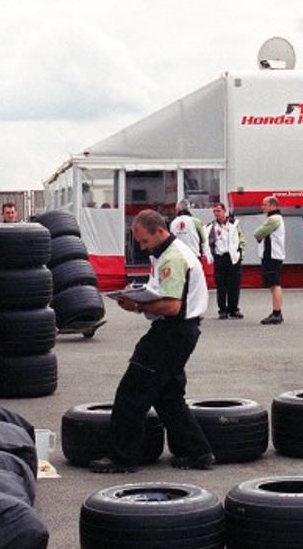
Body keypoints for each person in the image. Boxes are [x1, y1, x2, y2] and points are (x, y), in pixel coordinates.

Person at [90, 210, 215, 473]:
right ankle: (197, 452)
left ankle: (121, 458)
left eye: (145, 241)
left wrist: (136, 304)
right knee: (168, 395)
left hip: (172, 331)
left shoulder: (173, 257)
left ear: (159, 230)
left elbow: (171, 306)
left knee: (131, 392)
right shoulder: (167, 253)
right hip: (181, 331)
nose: (142, 247)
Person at [207, 202, 244, 319]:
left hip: (233, 257)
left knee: (234, 284)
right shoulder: (211, 226)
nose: (216, 213)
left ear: (224, 211)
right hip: (220, 257)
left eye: (218, 211)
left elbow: (242, 239)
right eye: (214, 211)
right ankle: (222, 309)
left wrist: (241, 253)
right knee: (221, 285)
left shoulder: (234, 224)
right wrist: (210, 256)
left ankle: (234, 309)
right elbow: (207, 242)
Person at [254, 195, 285, 324]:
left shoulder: (274, 219)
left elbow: (258, 233)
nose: (263, 207)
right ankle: (276, 311)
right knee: (273, 285)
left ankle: (277, 313)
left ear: (273, 205)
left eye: (265, 204)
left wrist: (260, 234)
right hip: (271, 255)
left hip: (273, 255)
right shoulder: (273, 218)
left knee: (275, 284)